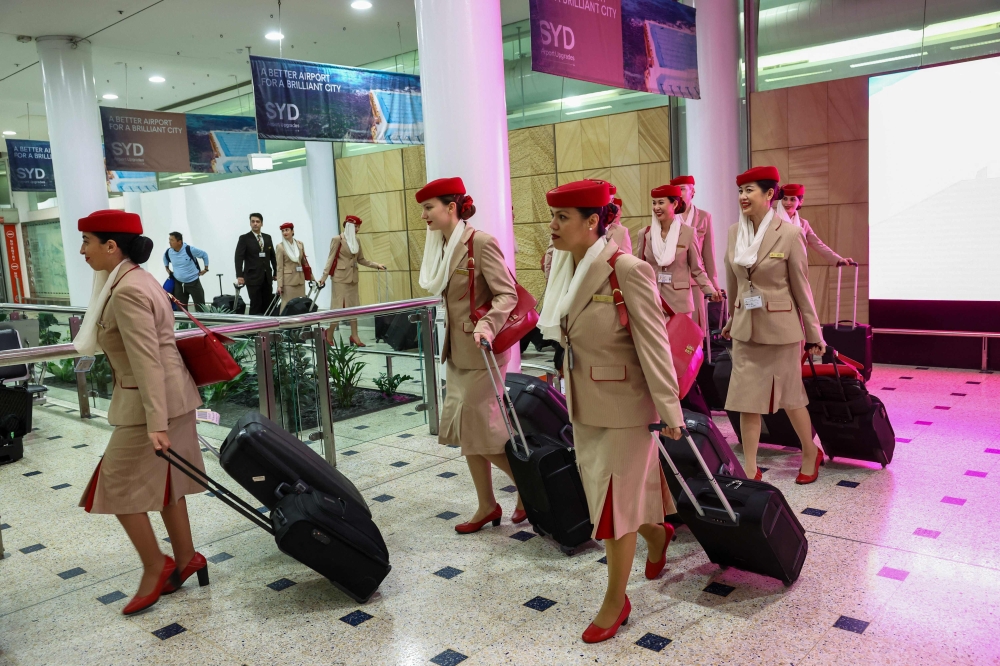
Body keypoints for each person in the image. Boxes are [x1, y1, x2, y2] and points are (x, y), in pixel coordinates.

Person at [538, 179, 683, 644]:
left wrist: (670, 407)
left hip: (624, 408)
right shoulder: (565, 268)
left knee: (613, 509)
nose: (553, 226)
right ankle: (657, 534)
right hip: (583, 404)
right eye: (554, 217)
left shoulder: (627, 269)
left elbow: (654, 345)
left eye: (563, 218)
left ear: (593, 221)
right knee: (606, 497)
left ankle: (616, 601)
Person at [74, 209, 207, 616]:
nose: (82, 251)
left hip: (152, 405)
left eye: (87, 242)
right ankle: (186, 559)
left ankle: (156, 565)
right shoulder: (139, 278)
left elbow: (147, 359)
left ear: (110, 246)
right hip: (173, 398)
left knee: (112, 488)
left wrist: (155, 423)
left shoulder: (127, 289)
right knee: (168, 483)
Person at [415, 177, 525, 533]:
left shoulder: (481, 243)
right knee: (468, 431)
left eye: (429, 207)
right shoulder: (442, 247)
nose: (424, 216)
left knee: (485, 432)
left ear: (451, 208)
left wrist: (488, 326)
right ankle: (487, 505)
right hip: (458, 352)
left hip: (483, 351)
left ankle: (529, 485)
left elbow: (507, 294)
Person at [721, 166, 826, 484]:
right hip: (745, 329)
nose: (742, 196)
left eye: (749, 190)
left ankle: (810, 451)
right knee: (745, 400)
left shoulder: (790, 234)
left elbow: (801, 287)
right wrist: (731, 317)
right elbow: (734, 282)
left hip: (781, 331)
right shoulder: (732, 233)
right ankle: (750, 467)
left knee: (791, 398)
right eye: (740, 191)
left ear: (770, 194)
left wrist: (813, 333)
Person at [636, 184, 721, 316]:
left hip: (679, 305)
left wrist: (710, 290)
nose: (656, 207)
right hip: (651, 303)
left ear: (674, 204)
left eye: (661, 202)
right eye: (654, 203)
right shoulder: (645, 234)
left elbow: (697, 269)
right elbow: (639, 269)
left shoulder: (688, 233)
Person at [317, 215, 385, 346]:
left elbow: (361, 260)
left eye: (359, 226)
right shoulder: (337, 239)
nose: (358, 229)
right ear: (349, 226)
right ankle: (329, 333)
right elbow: (330, 259)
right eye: (356, 226)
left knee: (354, 308)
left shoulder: (357, 241)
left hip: (353, 278)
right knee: (337, 308)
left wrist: (376, 265)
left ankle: (354, 336)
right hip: (339, 278)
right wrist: (323, 278)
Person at [542, 182, 630, 278]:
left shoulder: (629, 270)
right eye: (552, 215)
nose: (551, 225)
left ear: (592, 221)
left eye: (562, 217)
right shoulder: (562, 258)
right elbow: (549, 258)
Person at [671, 175, 722, 329]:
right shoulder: (668, 218)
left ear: (692, 191)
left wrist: (713, 286)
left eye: (682, 189)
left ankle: (698, 354)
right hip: (673, 282)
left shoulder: (704, 217)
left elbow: (708, 254)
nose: (679, 193)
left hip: (696, 282)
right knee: (675, 329)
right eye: (676, 190)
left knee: (696, 328)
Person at [778, 183, 856, 267]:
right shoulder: (773, 220)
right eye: (785, 199)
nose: (787, 202)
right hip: (776, 267)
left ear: (800, 202)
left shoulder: (803, 224)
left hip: (797, 267)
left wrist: (838, 259)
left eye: (792, 199)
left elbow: (818, 244)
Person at [234, 213, 277, 315]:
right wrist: (239, 275)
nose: (255, 224)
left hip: (267, 277)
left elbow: (272, 256)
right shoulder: (244, 238)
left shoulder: (267, 238)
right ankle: (254, 329)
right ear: (250, 223)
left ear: (262, 223)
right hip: (252, 277)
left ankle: (267, 329)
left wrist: (276, 272)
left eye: (257, 222)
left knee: (267, 304)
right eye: (253, 221)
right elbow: (238, 257)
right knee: (255, 304)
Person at [163, 232, 210, 311]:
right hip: (179, 283)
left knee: (201, 307)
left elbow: (204, 255)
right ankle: (183, 324)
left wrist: (206, 269)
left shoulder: (190, 249)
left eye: (172, 240)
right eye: (169, 240)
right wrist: (167, 268)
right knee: (181, 308)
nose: (169, 242)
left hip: (193, 282)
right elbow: (165, 258)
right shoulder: (169, 252)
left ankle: (200, 323)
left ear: (179, 241)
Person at [275, 222, 311, 312]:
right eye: (282, 231)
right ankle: (284, 324)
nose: (284, 233)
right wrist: (280, 285)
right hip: (288, 282)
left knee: (300, 304)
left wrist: (312, 278)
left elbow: (304, 262)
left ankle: (300, 325)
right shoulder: (280, 247)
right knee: (287, 304)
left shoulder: (300, 244)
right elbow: (279, 267)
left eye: (287, 230)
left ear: (292, 231)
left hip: (300, 280)